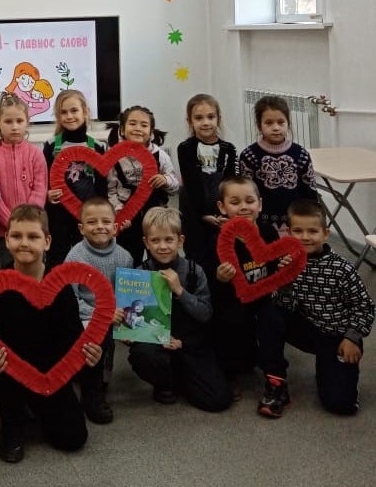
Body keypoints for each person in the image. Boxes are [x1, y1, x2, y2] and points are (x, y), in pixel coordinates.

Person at [0, 205, 103, 463]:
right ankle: (11, 422)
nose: (24, 243)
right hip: (11, 371)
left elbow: (73, 339)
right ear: (6, 239)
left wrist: (89, 356)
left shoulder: (60, 287)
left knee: (74, 438)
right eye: (17, 236)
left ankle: (36, 406)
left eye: (33, 236)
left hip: (49, 373)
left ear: (47, 241)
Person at [263, 199, 374, 416]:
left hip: (338, 336)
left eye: (312, 231)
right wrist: (284, 282)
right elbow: (284, 307)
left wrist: (352, 337)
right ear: (289, 234)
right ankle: (276, 381)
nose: (305, 237)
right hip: (308, 329)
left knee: (340, 405)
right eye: (298, 231)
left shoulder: (342, 268)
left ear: (325, 234)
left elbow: (365, 306)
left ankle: (333, 368)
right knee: (268, 312)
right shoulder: (288, 262)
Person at [127, 207, 232, 412]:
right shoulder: (139, 275)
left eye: (169, 240)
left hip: (191, 344)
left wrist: (180, 291)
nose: (162, 246)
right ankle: (165, 383)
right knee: (142, 354)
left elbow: (205, 314)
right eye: (155, 240)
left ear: (180, 240)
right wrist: (154, 337)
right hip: (158, 345)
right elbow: (133, 324)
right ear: (146, 242)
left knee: (219, 400)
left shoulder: (194, 271)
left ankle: (184, 379)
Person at [64, 196, 133, 420]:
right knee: (98, 334)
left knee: (106, 355)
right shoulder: (74, 257)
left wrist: (126, 323)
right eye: (92, 222)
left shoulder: (124, 257)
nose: (100, 226)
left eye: (106, 222)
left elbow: (127, 296)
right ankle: (91, 396)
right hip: (85, 315)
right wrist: (101, 316)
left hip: (114, 314)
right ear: (81, 228)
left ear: (115, 227)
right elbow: (70, 300)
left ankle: (100, 377)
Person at [212, 176, 280, 401]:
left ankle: (275, 375)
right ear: (222, 207)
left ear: (260, 204)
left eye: (250, 201)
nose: (243, 207)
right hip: (232, 299)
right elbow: (209, 282)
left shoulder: (268, 232)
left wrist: (283, 264)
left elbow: (274, 268)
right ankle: (229, 372)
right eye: (235, 202)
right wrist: (220, 277)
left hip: (263, 296)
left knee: (273, 318)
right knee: (230, 320)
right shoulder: (218, 239)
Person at [108, 105, 180, 264]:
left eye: (144, 125)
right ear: (122, 129)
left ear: (151, 132)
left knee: (159, 255)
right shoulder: (114, 156)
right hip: (127, 215)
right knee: (128, 256)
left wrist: (165, 180)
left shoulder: (160, 155)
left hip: (155, 213)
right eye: (132, 123)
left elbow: (175, 186)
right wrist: (118, 210)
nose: (138, 128)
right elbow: (111, 190)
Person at [44, 89, 108, 267]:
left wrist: (103, 213)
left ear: (85, 111)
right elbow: (44, 180)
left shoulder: (97, 147)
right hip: (58, 216)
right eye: (63, 112)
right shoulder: (51, 146)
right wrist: (47, 194)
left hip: (87, 216)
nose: (69, 116)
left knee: (88, 260)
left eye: (74, 110)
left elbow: (102, 185)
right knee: (58, 260)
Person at [239, 95, 317, 239]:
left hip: (295, 226)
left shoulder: (301, 154)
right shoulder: (249, 155)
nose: (276, 128)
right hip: (261, 226)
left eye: (281, 122)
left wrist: (310, 221)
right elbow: (245, 194)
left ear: (288, 123)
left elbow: (309, 192)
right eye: (269, 123)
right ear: (259, 125)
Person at [177, 94, 237, 273]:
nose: (205, 122)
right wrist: (202, 215)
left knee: (220, 256)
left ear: (219, 119)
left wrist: (224, 213)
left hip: (221, 213)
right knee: (197, 258)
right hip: (194, 213)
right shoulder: (185, 148)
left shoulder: (229, 149)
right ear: (190, 121)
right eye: (199, 118)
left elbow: (230, 183)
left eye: (211, 117)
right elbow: (192, 184)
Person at [0, 92, 47, 268]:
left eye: (19, 121)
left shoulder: (35, 154)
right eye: (8, 121)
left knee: (35, 272)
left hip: (33, 229)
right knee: (8, 273)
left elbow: (40, 189)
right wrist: (11, 223)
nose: (14, 127)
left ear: (27, 122)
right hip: (3, 233)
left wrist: (28, 221)